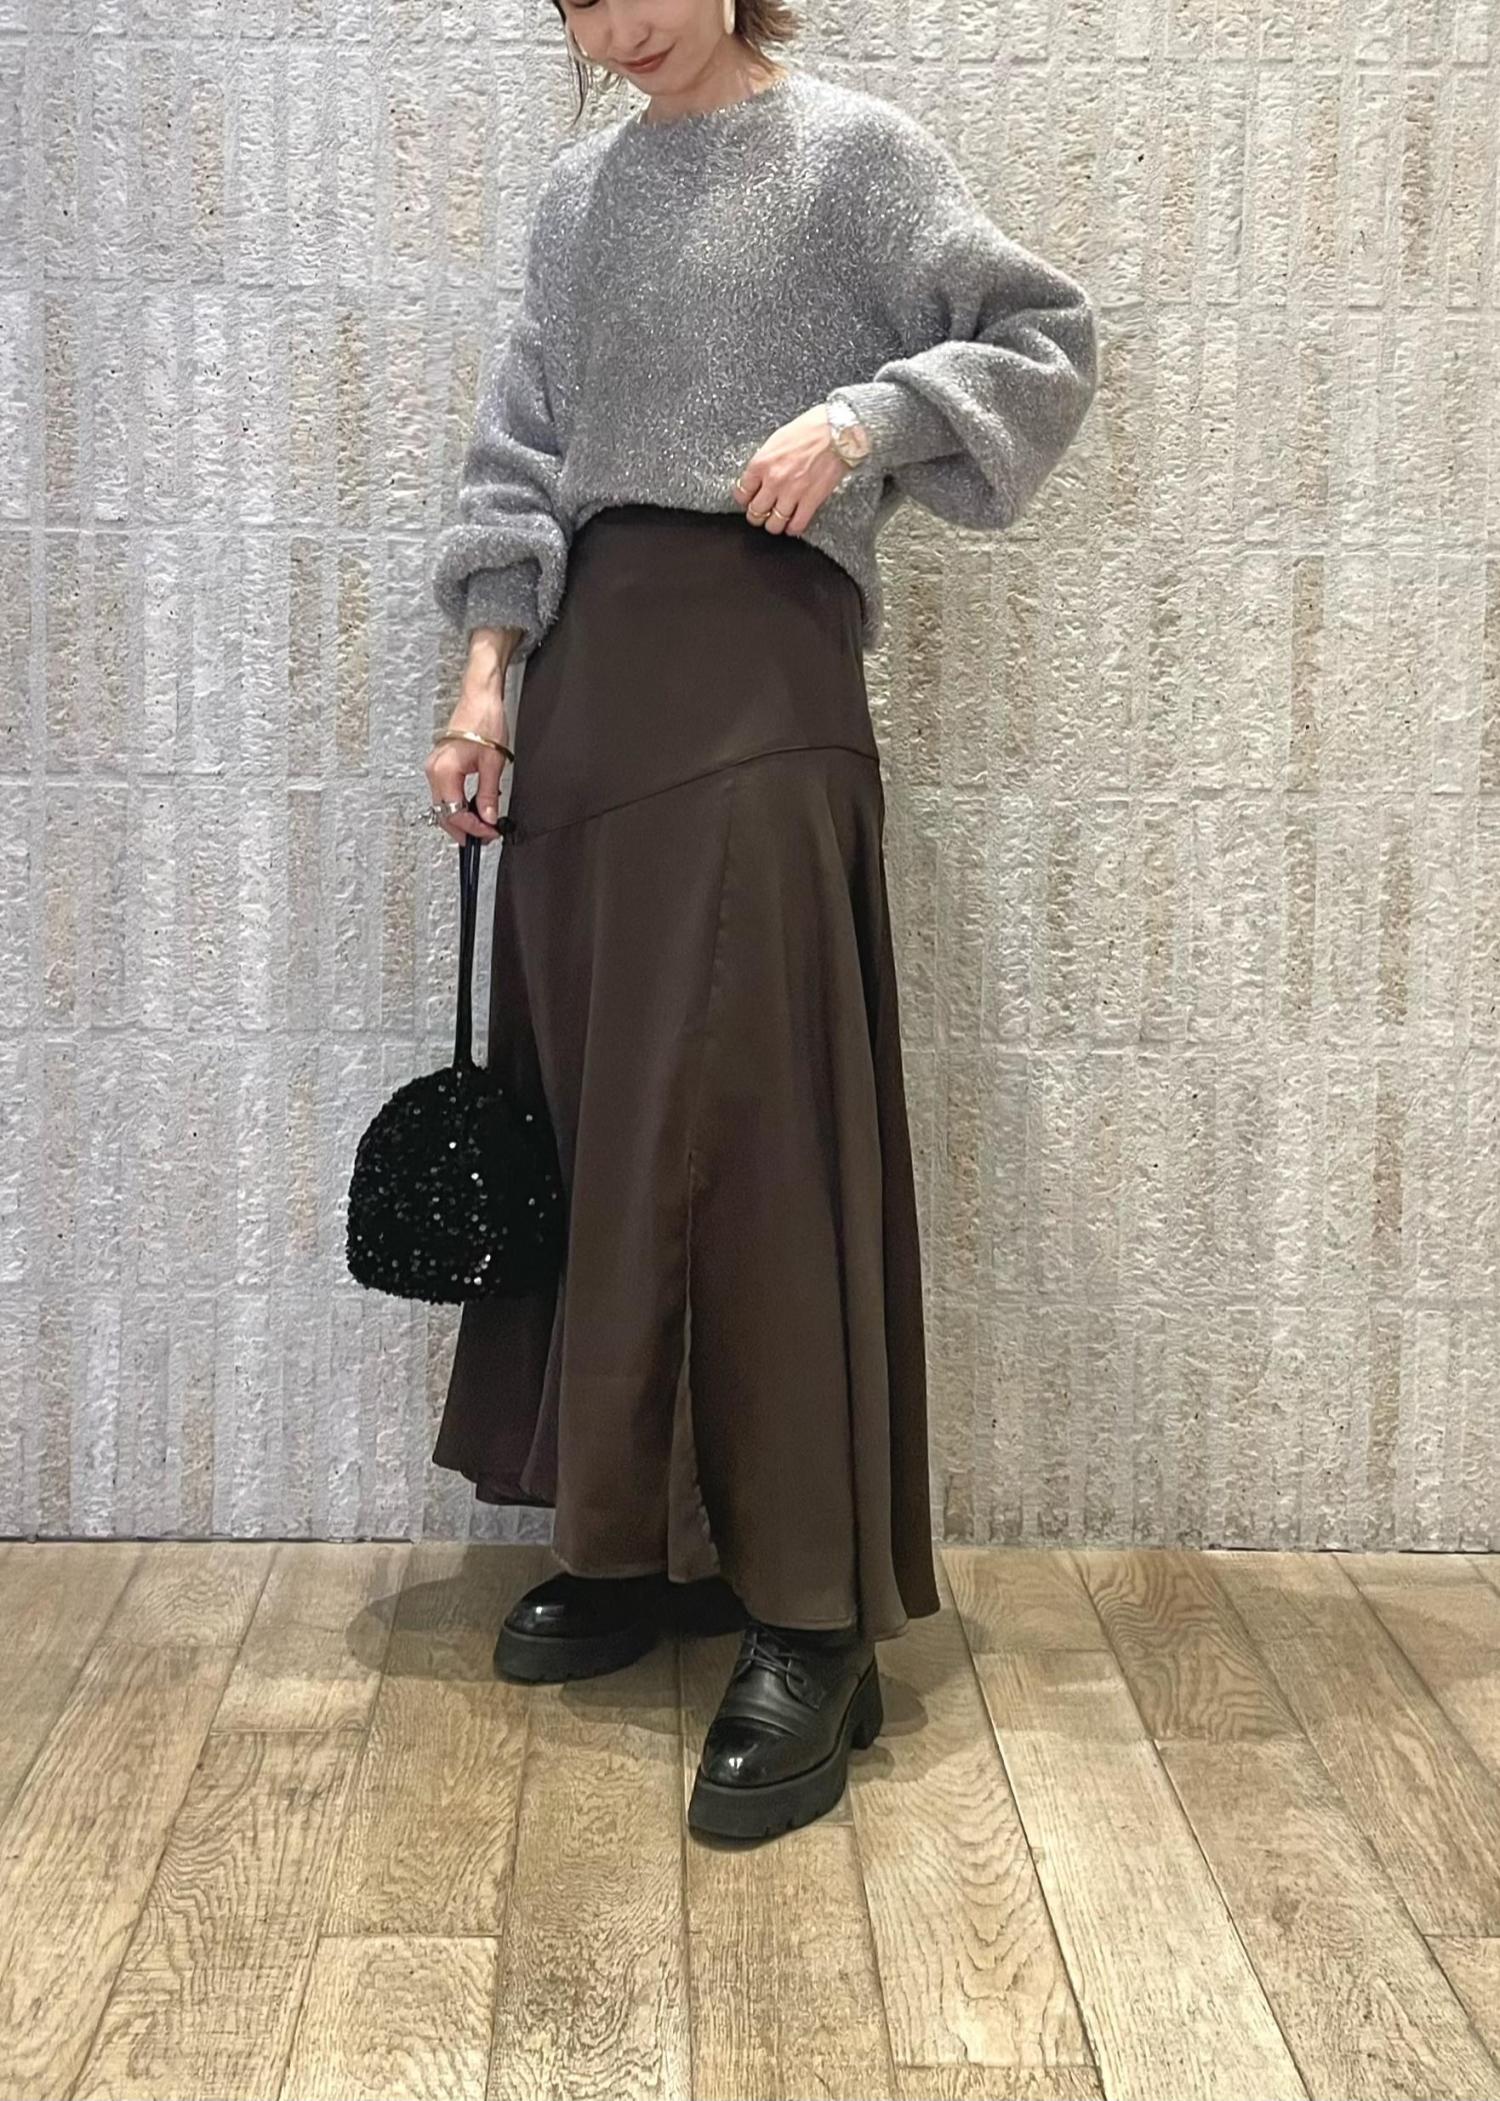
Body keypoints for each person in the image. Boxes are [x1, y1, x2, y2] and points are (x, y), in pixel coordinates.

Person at [422, 0, 1098, 1842]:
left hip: (762, 673)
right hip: (587, 698)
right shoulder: (581, 198)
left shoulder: (852, 156)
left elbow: (1042, 336)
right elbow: (521, 452)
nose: (615, 25)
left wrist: (866, 415)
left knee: (751, 1135)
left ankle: (811, 1614)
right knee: (603, 1122)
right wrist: (485, 685)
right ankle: (636, 1540)